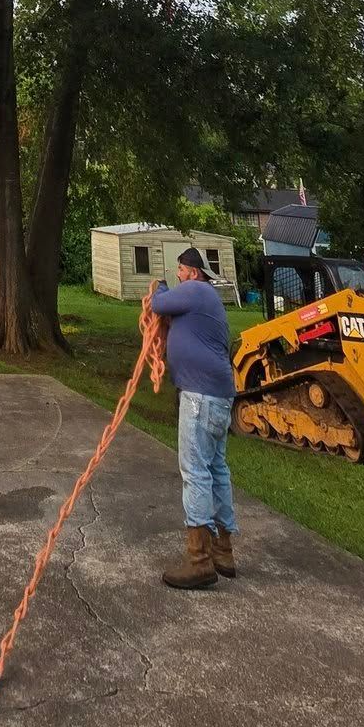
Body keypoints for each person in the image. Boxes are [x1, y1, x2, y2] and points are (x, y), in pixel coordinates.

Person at [150, 246, 238, 589]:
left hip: (200, 396)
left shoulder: (197, 290)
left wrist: (158, 285)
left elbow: (159, 303)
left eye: (181, 271)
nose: (179, 277)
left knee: (195, 470)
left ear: (193, 272)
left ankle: (199, 560)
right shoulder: (205, 301)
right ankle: (224, 552)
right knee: (216, 469)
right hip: (218, 396)